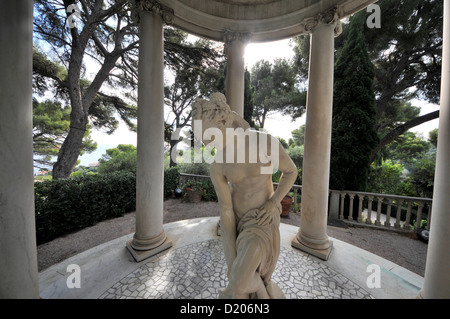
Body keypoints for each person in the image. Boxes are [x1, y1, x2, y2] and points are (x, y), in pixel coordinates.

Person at [192, 92, 297, 299]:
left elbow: (291, 171)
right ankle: (260, 291)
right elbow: (226, 211)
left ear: (223, 121)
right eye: (204, 141)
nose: (208, 146)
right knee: (237, 282)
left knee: (237, 285)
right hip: (240, 223)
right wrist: (231, 262)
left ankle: (259, 291)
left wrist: (274, 202)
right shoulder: (218, 165)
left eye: (210, 138)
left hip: (262, 219)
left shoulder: (263, 143)